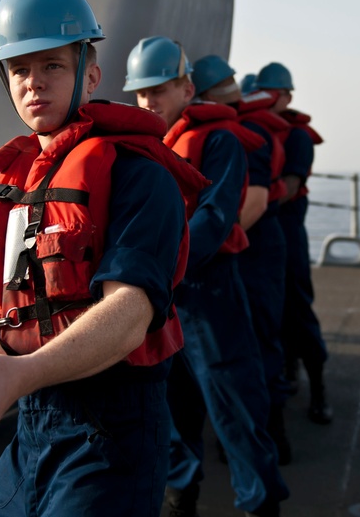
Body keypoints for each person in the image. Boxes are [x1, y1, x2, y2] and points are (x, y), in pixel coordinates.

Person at [0, 0, 207, 517]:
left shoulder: (138, 175)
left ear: (90, 74)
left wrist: (19, 374)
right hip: (32, 421)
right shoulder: (19, 188)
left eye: (52, 66)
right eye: (19, 70)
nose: (34, 83)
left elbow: (131, 312)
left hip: (113, 431)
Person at [123, 40, 288, 517]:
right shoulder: (144, 148)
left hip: (209, 289)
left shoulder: (220, 142)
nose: (149, 101)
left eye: (159, 89)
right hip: (164, 295)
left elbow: (216, 218)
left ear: (186, 88)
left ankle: (260, 503)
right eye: (140, 93)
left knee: (234, 401)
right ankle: (181, 497)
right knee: (172, 406)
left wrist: (159, 267)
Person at [202, 68, 294, 464]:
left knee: (259, 339)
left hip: (254, 247)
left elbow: (254, 204)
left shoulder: (243, 135)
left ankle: (274, 436)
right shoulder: (231, 131)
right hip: (242, 246)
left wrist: (211, 243)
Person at [255, 63, 332, 425]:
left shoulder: (297, 138)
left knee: (298, 312)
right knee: (269, 315)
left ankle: (318, 389)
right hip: (261, 237)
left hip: (286, 236)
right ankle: (286, 375)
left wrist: (246, 202)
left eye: (274, 95)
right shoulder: (256, 130)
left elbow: (286, 189)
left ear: (287, 97)